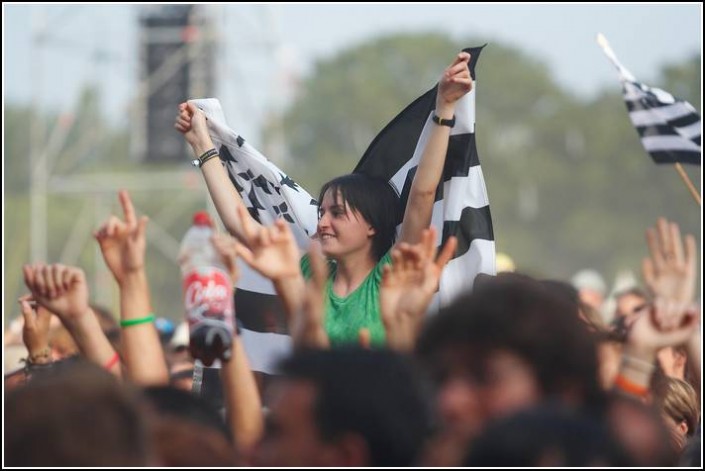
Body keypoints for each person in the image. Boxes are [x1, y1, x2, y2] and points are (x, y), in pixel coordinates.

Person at [175, 52, 473, 346]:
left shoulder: (391, 276)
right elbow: (240, 225)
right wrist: (203, 146)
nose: (323, 223)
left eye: (337, 213)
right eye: (321, 214)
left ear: (372, 226)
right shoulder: (308, 273)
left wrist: (445, 107)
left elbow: (422, 195)